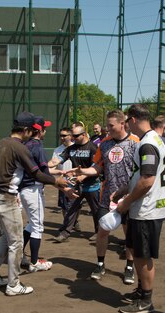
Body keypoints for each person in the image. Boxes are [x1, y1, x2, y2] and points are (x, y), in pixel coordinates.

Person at [0, 111, 72, 296]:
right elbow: (37, 173)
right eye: (31, 130)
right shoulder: (19, 147)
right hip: (5, 197)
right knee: (16, 242)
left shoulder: (1, 142)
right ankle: (13, 284)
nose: (33, 133)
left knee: (8, 238)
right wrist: (56, 182)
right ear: (24, 130)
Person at [66, 110, 139, 284]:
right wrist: (82, 171)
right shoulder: (104, 144)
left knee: (129, 234)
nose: (108, 129)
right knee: (102, 231)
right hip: (107, 196)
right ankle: (100, 264)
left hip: (129, 197)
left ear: (122, 123)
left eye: (111, 125)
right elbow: (97, 168)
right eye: (107, 125)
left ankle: (129, 267)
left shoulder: (136, 142)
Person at [114, 104, 165, 313]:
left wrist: (126, 202)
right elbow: (141, 176)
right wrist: (123, 190)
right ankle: (142, 291)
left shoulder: (147, 144)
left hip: (146, 209)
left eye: (127, 120)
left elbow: (147, 180)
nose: (127, 124)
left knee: (143, 256)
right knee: (137, 253)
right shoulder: (152, 140)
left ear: (134, 119)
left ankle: (146, 300)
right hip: (146, 207)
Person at [48, 121, 101, 243]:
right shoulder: (71, 149)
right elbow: (57, 160)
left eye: (76, 136)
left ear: (83, 134)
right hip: (77, 185)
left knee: (96, 211)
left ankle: (98, 233)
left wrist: (82, 176)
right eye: (72, 136)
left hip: (92, 185)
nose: (73, 138)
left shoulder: (93, 147)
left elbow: (96, 166)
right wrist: (45, 165)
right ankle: (65, 233)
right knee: (71, 209)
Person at [19, 115, 54, 272]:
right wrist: (59, 183)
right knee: (37, 226)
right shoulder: (37, 146)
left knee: (31, 224)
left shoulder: (23, 143)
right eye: (44, 128)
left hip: (23, 189)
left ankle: (20, 254)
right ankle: (34, 262)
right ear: (40, 130)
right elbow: (44, 172)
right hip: (33, 188)